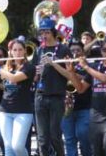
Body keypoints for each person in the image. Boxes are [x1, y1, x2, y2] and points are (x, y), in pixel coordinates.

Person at [0, 39, 36, 156]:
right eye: (15, 50)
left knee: (18, 146)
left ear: (25, 51)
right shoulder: (6, 69)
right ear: (11, 52)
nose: (18, 52)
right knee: (9, 148)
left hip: (23, 112)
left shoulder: (29, 67)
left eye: (20, 50)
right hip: (5, 112)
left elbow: (13, 78)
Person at [34, 17, 73, 156]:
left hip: (57, 97)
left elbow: (70, 75)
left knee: (55, 136)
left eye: (47, 32)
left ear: (53, 32)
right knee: (42, 139)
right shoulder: (39, 50)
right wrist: (37, 73)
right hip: (40, 96)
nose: (44, 35)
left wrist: (54, 64)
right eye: (42, 32)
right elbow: (34, 76)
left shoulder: (64, 49)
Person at [62, 39, 92, 156]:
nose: (75, 52)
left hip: (84, 107)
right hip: (68, 106)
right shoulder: (64, 65)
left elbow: (81, 77)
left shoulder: (88, 66)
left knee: (83, 136)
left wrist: (66, 70)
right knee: (69, 140)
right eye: (72, 50)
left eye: (78, 50)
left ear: (83, 52)